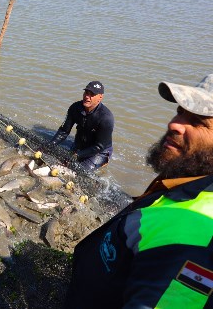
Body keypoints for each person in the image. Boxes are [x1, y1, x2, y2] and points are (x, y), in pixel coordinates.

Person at [65, 74, 213, 308]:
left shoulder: (194, 233)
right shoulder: (185, 175)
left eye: (198, 122)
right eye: (180, 112)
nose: (174, 123)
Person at [49, 81, 114, 170]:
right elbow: (64, 131)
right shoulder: (75, 108)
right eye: (86, 92)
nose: (87, 96)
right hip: (79, 145)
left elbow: (100, 146)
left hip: (100, 151)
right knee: (63, 163)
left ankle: (102, 163)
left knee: (77, 170)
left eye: (92, 94)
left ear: (100, 97)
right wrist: (50, 144)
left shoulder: (106, 118)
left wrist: (77, 155)